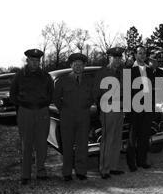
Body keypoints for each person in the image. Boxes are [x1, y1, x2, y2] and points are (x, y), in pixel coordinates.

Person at [9, 49, 54, 185]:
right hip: (25, 111)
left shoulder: (46, 76)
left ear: (40, 61)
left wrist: (43, 104)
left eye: (37, 61)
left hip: (42, 112)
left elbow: (51, 93)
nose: (35, 63)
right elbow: (12, 95)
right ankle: (25, 174)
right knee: (26, 143)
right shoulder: (19, 76)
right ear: (27, 60)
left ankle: (40, 171)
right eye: (32, 60)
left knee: (41, 143)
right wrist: (23, 106)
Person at [53, 53, 94, 181]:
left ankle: (81, 171)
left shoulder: (89, 81)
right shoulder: (63, 81)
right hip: (67, 117)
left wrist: (85, 107)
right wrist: (64, 110)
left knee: (82, 145)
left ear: (84, 66)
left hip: (83, 116)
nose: (78, 67)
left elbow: (92, 97)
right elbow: (55, 98)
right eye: (75, 64)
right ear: (71, 65)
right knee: (67, 145)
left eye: (80, 65)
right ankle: (67, 173)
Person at [93, 47, 125, 179]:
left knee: (117, 138)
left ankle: (113, 167)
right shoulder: (103, 72)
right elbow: (96, 91)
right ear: (109, 58)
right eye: (115, 57)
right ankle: (104, 169)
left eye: (119, 58)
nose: (117, 60)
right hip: (109, 106)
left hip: (120, 107)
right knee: (107, 139)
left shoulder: (123, 71)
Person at [126, 45, 154, 171]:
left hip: (147, 107)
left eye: (144, 53)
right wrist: (128, 110)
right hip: (134, 107)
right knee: (133, 137)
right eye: (140, 53)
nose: (142, 55)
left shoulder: (150, 70)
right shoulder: (129, 70)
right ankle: (131, 164)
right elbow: (127, 92)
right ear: (135, 55)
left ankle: (142, 161)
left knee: (144, 136)